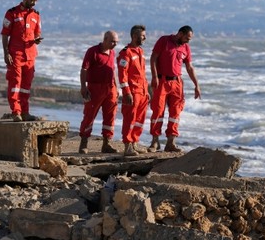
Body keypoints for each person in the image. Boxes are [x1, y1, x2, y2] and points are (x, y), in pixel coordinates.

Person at [148, 25, 201, 153]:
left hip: (177, 83)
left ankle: (171, 142)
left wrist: (196, 85)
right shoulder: (164, 41)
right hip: (162, 81)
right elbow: (153, 58)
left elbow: (189, 67)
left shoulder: (186, 48)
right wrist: (154, 77)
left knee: (175, 113)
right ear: (180, 33)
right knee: (158, 111)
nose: (188, 40)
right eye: (187, 37)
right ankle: (155, 142)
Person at [0, 0, 43, 122]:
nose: (34, 3)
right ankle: (16, 111)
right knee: (15, 84)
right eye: (32, 0)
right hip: (16, 55)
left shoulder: (36, 15)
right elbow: (5, 34)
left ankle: (25, 112)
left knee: (26, 86)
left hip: (30, 56)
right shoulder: (12, 13)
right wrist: (6, 53)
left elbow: (37, 33)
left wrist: (37, 39)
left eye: (36, 1)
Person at [78, 31, 120, 154]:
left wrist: (117, 88)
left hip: (110, 88)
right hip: (95, 88)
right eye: (112, 41)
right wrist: (83, 86)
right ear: (105, 39)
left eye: (116, 42)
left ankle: (106, 143)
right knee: (89, 114)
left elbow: (113, 70)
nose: (114, 44)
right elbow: (84, 69)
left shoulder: (112, 53)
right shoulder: (93, 51)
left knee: (110, 116)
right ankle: (84, 143)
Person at [117, 25, 149, 156]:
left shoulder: (140, 51)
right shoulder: (126, 53)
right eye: (142, 36)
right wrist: (127, 92)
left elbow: (142, 74)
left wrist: (147, 91)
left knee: (140, 119)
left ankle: (135, 142)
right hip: (132, 92)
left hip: (142, 91)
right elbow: (122, 75)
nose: (145, 38)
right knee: (130, 118)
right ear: (135, 36)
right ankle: (127, 146)